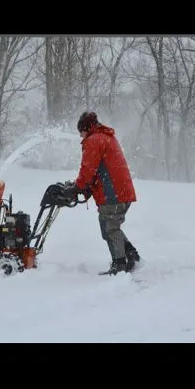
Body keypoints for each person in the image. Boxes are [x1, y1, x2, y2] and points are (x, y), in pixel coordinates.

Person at [65, 111, 140, 275]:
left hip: (113, 194)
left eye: (81, 133)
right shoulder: (106, 137)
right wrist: (80, 187)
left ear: (86, 128)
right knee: (112, 226)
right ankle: (131, 254)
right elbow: (99, 171)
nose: (81, 137)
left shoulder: (93, 140)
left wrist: (77, 187)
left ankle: (119, 265)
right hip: (120, 191)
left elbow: (88, 171)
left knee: (109, 228)